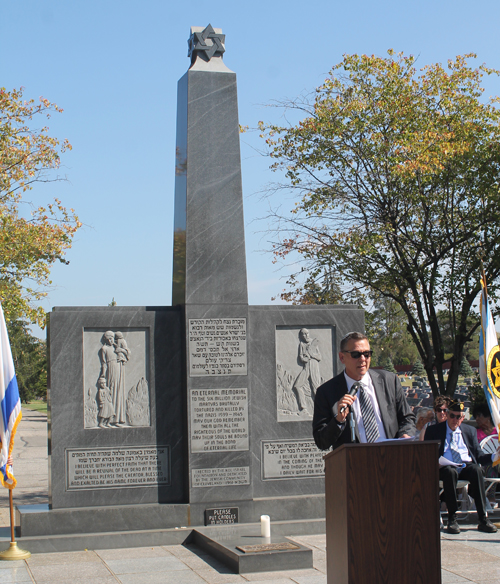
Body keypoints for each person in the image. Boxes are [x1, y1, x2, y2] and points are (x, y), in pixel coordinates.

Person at [313, 331, 415, 451]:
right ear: (342, 357)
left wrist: (405, 435)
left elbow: (407, 417)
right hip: (355, 465)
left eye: (367, 354)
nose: (362, 359)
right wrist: (338, 421)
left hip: (391, 459)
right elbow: (321, 441)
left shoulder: (389, 381)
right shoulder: (326, 392)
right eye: (356, 354)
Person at [424, 400, 499, 534]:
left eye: (458, 417)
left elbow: (479, 455)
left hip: (465, 465)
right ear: (447, 414)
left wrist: (494, 456)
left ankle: (483, 518)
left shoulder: (469, 431)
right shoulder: (434, 431)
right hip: (444, 467)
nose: (455, 420)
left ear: (463, 418)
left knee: (477, 470)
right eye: (452, 416)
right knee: (450, 472)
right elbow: (425, 454)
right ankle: (452, 519)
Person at [293, 328, 322, 414]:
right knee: (297, 385)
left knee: (316, 388)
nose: (306, 336)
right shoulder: (301, 344)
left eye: (307, 334)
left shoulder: (314, 343)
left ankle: (321, 410)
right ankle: (303, 408)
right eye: (303, 334)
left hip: (314, 365)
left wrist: (311, 354)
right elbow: (301, 357)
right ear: (301, 336)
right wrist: (305, 358)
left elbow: (319, 357)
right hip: (306, 366)